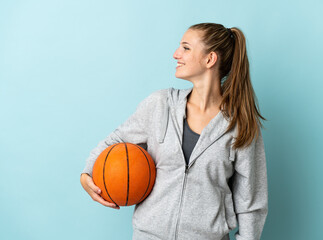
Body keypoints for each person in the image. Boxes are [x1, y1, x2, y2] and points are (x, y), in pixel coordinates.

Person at [80, 22, 268, 240]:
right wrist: (87, 175)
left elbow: (251, 203)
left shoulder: (240, 125)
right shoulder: (160, 105)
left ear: (210, 59)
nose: (176, 54)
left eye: (186, 48)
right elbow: (114, 141)